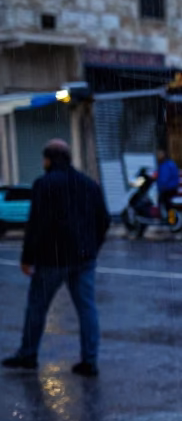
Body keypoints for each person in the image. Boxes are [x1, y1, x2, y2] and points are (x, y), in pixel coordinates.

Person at [2, 140, 110, 376]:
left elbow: (36, 225)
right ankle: (89, 359)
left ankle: (28, 354)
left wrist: (27, 257)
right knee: (87, 309)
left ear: (48, 160)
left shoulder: (44, 184)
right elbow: (104, 219)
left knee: (37, 306)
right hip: (84, 257)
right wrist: (92, 247)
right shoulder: (88, 184)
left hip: (53, 258)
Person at [155, 148, 180, 219]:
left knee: (166, 204)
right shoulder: (167, 164)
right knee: (164, 203)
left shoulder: (166, 165)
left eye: (160, 154)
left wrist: (160, 187)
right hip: (170, 188)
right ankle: (165, 218)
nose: (158, 156)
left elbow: (164, 179)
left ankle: (171, 219)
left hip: (169, 189)